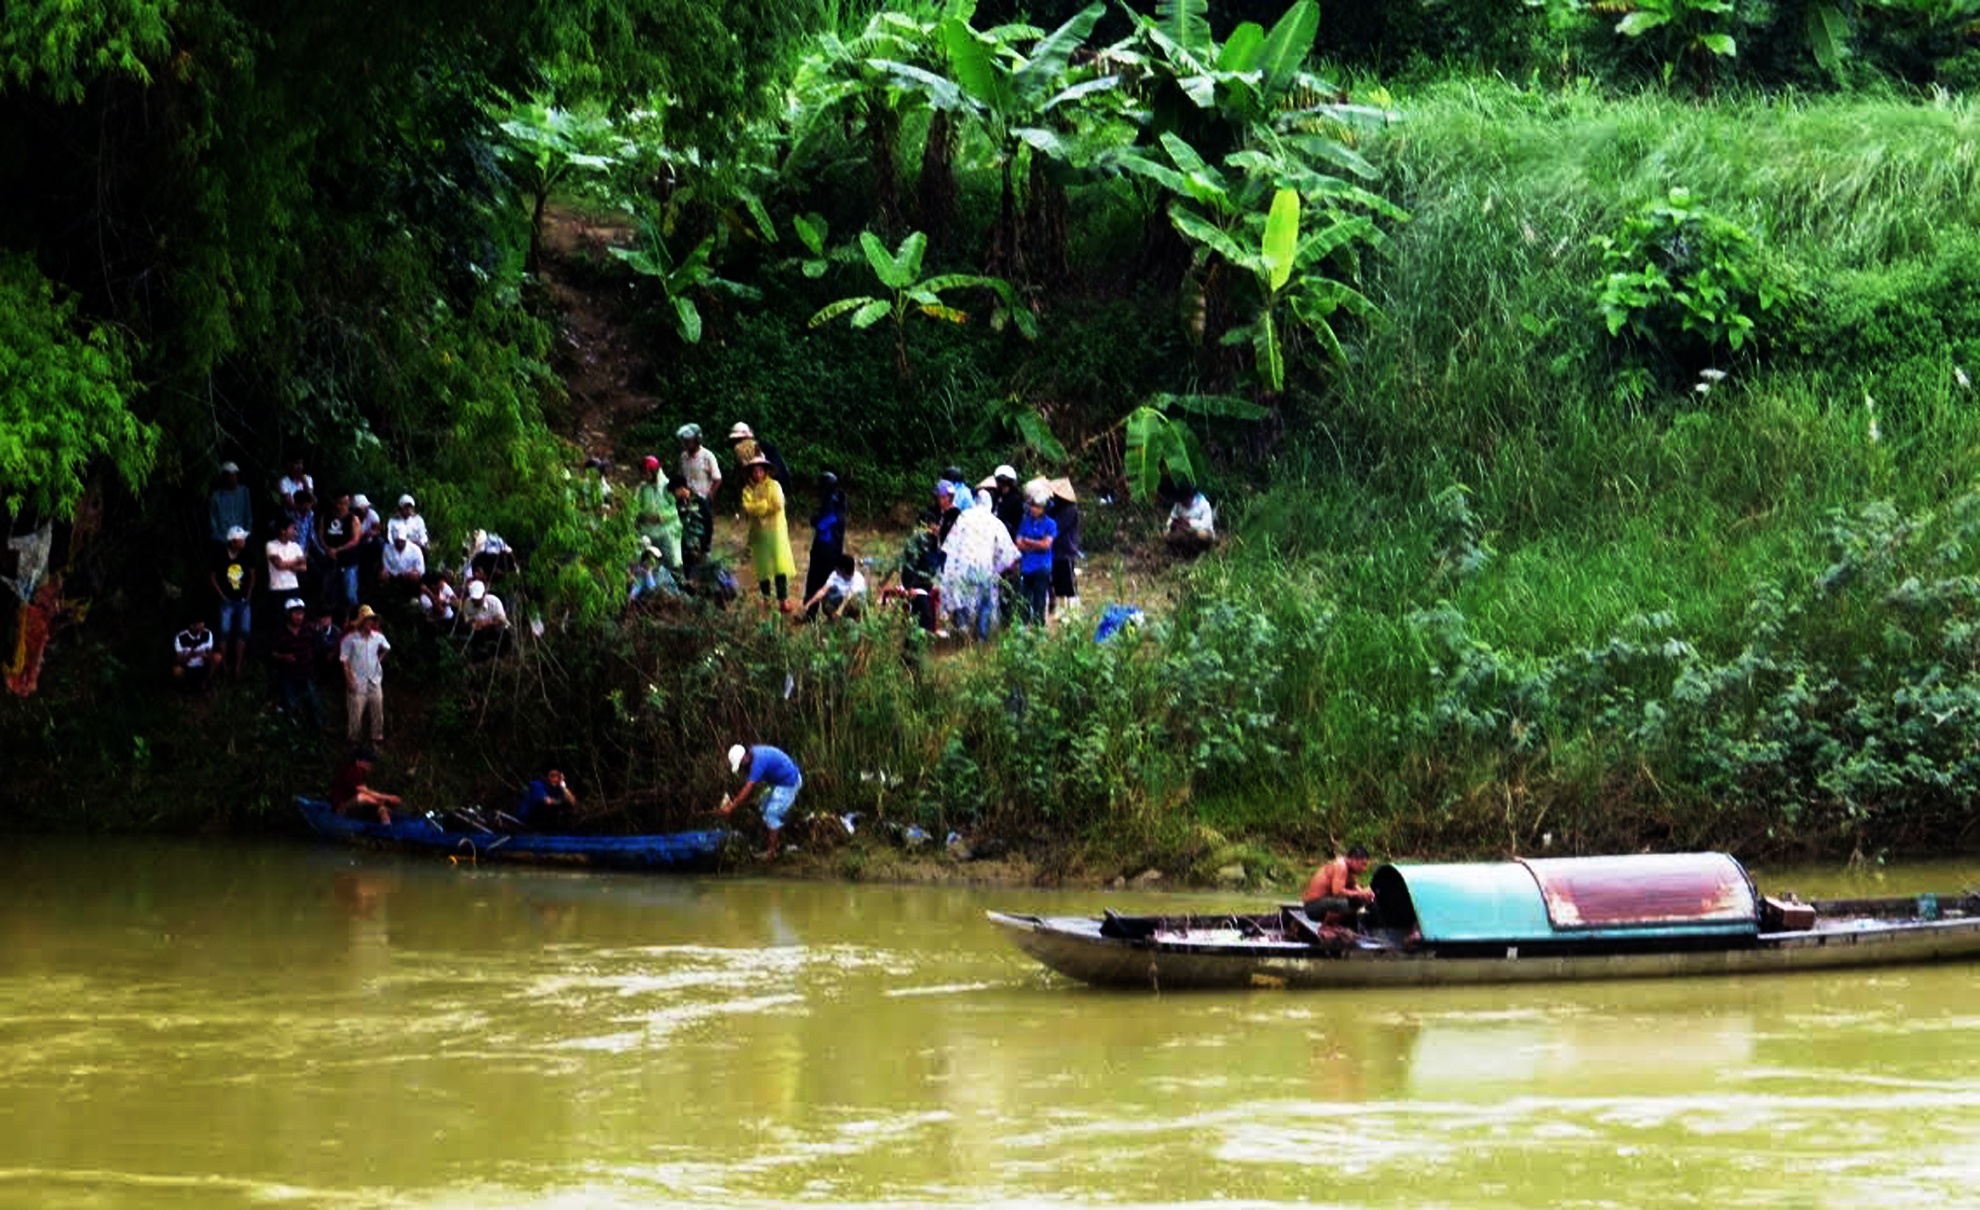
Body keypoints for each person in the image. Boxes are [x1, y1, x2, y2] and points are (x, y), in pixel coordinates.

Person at [940, 489, 1020, 640]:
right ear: (989, 504)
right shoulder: (995, 522)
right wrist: (1004, 565)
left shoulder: (964, 517)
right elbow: (1006, 549)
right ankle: (981, 637)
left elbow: (950, 543)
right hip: (984, 568)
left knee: (961, 596)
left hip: (962, 567)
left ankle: (962, 628)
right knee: (985, 601)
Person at [718, 742, 803, 858]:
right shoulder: (753, 754)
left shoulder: (758, 762)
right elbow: (750, 784)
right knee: (762, 806)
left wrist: (733, 806)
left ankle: (771, 852)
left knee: (771, 814)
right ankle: (776, 835)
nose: (742, 767)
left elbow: (748, 787)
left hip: (789, 783)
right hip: (778, 783)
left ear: (745, 757)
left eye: (741, 764)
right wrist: (736, 801)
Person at [740, 456, 796, 607]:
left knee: (780, 565)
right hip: (758, 533)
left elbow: (778, 504)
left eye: (760, 470)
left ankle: (783, 600)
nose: (757, 474)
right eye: (754, 471)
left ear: (765, 471)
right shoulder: (747, 490)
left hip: (776, 531)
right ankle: (766, 599)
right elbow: (747, 507)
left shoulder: (774, 485)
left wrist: (758, 506)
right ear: (750, 473)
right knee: (762, 567)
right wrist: (765, 504)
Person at [339, 604, 390, 744]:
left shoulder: (378, 637)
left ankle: (376, 739)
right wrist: (349, 680)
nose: (371, 623)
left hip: (374, 680)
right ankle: (354, 742)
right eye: (368, 620)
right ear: (361, 622)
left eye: (372, 620)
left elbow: (387, 648)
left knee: (377, 711)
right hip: (357, 681)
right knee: (355, 714)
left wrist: (379, 660)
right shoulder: (350, 639)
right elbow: (344, 661)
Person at [271, 598, 324, 729]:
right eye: (296, 613)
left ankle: (317, 730)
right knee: (290, 705)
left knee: (314, 705)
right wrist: (284, 657)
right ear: (288, 615)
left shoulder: (309, 630)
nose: (299, 617)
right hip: (288, 676)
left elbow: (318, 648)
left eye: (301, 613)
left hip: (307, 675)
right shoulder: (280, 633)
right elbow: (272, 653)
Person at [210, 525, 256, 677]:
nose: (244, 542)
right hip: (227, 600)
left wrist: (249, 594)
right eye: (241, 540)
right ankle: (223, 665)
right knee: (224, 632)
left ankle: (238, 665)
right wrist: (222, 595)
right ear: (233, 542)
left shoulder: (247, 554)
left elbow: (252, 574)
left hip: (243, 600)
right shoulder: (220, 555)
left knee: (244, 632)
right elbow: (213, 576)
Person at [802, 471, 847, 619]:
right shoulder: (840, 501)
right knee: (829, 583)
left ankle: (812, 613)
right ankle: (831, 614)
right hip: (834, 551)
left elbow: (822, 524)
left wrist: (814, 520)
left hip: (824, 550)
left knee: (816, 582)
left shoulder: (830, 502)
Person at [1013, 488, 1057, 625]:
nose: (1033, 509)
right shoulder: (1025, 521)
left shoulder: (1050, 524)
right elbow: (1018, 543)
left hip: (1042, 566)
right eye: (1032, 506)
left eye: (1037, 507)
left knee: (1039, 598)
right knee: (1025, 598)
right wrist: (1037, 544)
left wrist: (1028, 542)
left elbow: (1046, 545)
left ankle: (1038, 626)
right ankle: (1024, 625)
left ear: (1043, 509)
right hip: (1026, 565)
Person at [677, 424, 720, 559]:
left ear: (696, 440)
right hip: (686, 496)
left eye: (688, 441)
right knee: (686, 524)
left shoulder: (707, 456)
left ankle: (706, 548)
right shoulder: (683, 457)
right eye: (684, 441)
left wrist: (710, 495)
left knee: (706, 523)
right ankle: (689, 551)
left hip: (702, 496)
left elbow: (717, 478)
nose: (686, 444)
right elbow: (681, 476)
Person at [634, 455, 684, 571]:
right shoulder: (642, 488)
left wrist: (661, 517)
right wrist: (640, 517)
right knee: (649, 564)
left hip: (666, 533)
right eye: (643, 473)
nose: (644, 476)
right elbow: (635, 507)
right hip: (647, 532)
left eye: (647, 473)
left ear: (654, 472)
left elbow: (676, 508)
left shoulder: (667, 487)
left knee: (670, 564)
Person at [330, 745, 401, 824]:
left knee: (380, 807)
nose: (370, 764)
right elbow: (364, 792)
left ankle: (387, 825)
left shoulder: (360, 772)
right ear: (358, 761)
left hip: (351, 805)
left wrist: (384, 799)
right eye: (368, 761)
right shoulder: (353, 771)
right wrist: (387, 798)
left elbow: (367, 791)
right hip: (341, 807)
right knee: (364, 797)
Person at [1303, 846, 1375, 921]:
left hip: (1327, 903)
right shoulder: (1341, 866)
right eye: (1363, 864)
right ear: (1354, 860)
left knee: (1360, 900)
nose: (1364, 869)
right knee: (1342, 903)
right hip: (1313, 907)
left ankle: (1341, 922)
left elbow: (1354, 886)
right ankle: (1327, 925)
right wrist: (1360, 893)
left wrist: (1365, 894)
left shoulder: (1349, 870)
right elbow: (1337, 892)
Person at [319, 492, 362, 618]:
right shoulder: (326, 518)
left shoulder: (353, 519)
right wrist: (328, 549)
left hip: (348, 561)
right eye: (340, 503)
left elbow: (355, 539)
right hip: (330, 560)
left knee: (349, 594)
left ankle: (352, 618)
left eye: (345, 503)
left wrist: (338, 550)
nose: (342, 506)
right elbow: (320, 536)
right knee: (329, 593)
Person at [1046, 483, 1082, 619]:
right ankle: (1061, 611)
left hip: (1066, 549)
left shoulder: (1070, 510)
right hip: (1055, 550)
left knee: (1068, 583)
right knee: (1057, 582)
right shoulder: (1055, 508)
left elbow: (1057, 527)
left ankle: (1074, 612)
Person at [801, 552, 866, 621]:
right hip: (840, 601)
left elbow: (848, 597)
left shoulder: (858, 579)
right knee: (827, 598)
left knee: (853, 601)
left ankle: (855, 619)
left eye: (838, 569)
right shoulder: (835, 575)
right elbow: (823, 591)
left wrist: (839, 611)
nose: (836, 571)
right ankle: (835, 620)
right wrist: (809, 604)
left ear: (843, 570)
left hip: (852, 604)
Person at [264, 517, 308, 617]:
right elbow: (279, 565)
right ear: (283, 530)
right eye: (292, 528)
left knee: (292, 617)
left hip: (293, 587)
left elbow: (304, 566)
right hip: (277, 588)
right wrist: (297, 560)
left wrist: (290, 566)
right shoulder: (271, 545)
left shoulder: (296, 546)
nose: (294, 532)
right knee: (278, 618)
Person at [207, 461, 253, 554]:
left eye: (235, 475)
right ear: (224, 478)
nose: (233, 479)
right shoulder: (216, 497)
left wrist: (244, 536)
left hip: (242, 536)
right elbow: (214, 524)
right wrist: (227, 541)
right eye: (230, 476)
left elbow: (248, 517)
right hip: (224, 539)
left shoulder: (244, 492)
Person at [1165, 480, 1217, 555]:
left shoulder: (1203, 504)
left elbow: (1206, 524)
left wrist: (1189, 523)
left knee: (1202, 536)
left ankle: (1203, 551)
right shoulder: (1178, 505)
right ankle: (1181, 552)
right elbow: (1171, 518)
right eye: (1182, 498)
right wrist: (1172, 524)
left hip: (1200, 531)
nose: (1185, 501)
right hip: (1183, 530)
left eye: (1187, 498)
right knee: (1167, 534)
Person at [463, 577, 510, 659]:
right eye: (474, 600)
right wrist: (473, 623)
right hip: (479, 631)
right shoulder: (467, 604)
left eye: (478, 599)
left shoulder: (494, 602)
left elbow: (502, 620)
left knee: (502, 632)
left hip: (494, 627)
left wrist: (487, 622)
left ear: (484, 595)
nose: (476, 602)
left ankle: (500, 653)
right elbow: (467, 620)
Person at [172, 616, 220, 691]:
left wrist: (206, 656)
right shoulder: (181, 637)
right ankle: (186, 687)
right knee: (177, 671)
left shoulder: (207, 633)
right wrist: (190, 655)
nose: (202, 625)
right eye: (199, 623)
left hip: (203, 665)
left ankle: (206, 682)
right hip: (188, 667)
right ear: (192, 625)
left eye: (202, 622)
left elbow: (209, 652)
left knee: (217, 657)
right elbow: (179, 658)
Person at [990, 464, 1024, 537]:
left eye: (1005, 484)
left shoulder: (1015, 500)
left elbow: (1005, 517)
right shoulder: (996, 495)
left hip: (1007, 532)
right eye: (1000, 483)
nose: (1003, 486)